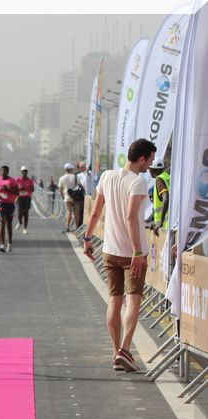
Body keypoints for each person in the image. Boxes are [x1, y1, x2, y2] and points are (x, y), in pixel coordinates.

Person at [82, 139, 157, 373]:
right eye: (151, 159)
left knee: (114, 301)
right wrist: (137, 251)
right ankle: (124, 350)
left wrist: (87, 238)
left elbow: (95, 212)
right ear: (142, 159)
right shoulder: (138, 183)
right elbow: (131, 216)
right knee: (133, 301)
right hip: (131, 253)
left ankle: (116, 353)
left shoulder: (107, 176)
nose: (151, 165)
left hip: (109, 250)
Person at [0, 165, 18, 252]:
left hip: (10, 204)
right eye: (2, 171)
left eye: (5, 171)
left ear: (8, 172)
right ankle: (2, 244)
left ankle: (10, 243)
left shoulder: (12, 181)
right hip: (1, 203)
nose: (3, 172)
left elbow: (17, 192)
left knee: (9, 224)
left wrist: (8, 190)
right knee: (2, 223)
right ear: (0, 171)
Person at [148, 160, 170, 230]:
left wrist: (160, 221)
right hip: (171, 223)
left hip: (165, 226)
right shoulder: (167, 177)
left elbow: (166, 198)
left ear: (151, 169)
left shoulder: (159, 179)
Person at [58, 163, 78, 233]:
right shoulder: (75, 177)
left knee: (69, 212)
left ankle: (67, 227)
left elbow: (60, 189)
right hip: (75, 197)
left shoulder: (62, 178)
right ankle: (77, 227)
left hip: (67, 197)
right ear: (71, 169)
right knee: (76, 212)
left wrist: (63, 196)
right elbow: (79, 186)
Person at [16, 166, 35, 234]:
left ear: (27, 172)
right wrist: (19, 188)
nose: (25, 172)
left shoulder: (30, 180)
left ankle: (25, 228)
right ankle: (20, 222)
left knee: (26, 212)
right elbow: (14, 188)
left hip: (27, 197)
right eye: (23, 171)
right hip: (20, 197)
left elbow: (33, 190)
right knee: (19, 213)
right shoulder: (18, 179)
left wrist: (29, 187)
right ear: (21, 172)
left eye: (26, 171)